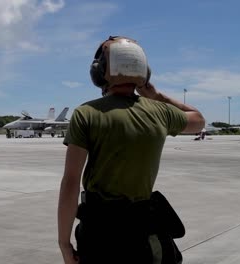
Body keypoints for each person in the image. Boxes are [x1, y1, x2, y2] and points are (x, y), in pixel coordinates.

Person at [57, 36, 205, 264]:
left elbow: (71, 182)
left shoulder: (86, 113)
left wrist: (64, 243)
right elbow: (198, 121)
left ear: (99, 71)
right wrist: (155, 96)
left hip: (100, 235)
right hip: (144, 231)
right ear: (144, 72)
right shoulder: (161, 112)